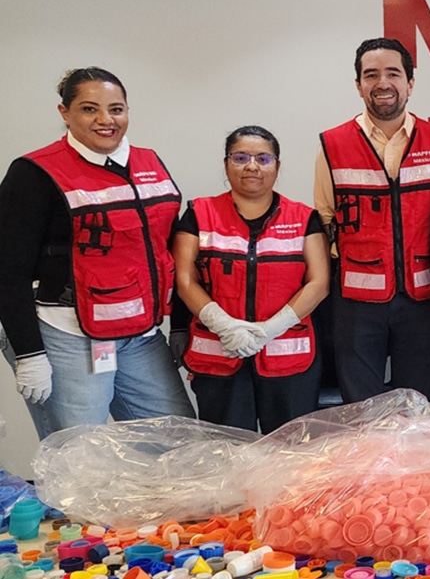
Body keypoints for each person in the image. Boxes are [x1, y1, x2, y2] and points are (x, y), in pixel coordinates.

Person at [0, 67, 195, 437]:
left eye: (116, 109)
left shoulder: (150, 164)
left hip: (139, 336)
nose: (106, 120)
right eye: (90, 109)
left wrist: (182, 323)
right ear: (65, 113)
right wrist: (29, 354)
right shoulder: (35, 173)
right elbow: (9, 269)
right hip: (68, 335)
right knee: (77, 457)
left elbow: (171, 252)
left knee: (178, 440)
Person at [314, 38, 430, 404]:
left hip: (423, 298)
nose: (382, 83)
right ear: (358, 84)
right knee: (360, 407)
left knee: (417, 404)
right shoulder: (332, 145)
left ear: (410, 83)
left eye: (393, 73)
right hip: (356, 303)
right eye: (371, 74)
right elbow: (325, 220)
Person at [173, 126, 330, 433]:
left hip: (289, 359)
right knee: (225, 454)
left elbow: (319, 283)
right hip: (220, 355)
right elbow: (185, 279)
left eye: (263, 158)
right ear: (226, 163)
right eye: (240, 157)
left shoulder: (303, 217)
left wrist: (269, 330)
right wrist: (223, 324)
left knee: (290, 456)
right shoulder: (199, 213)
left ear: (277, 165)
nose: (252, 166)